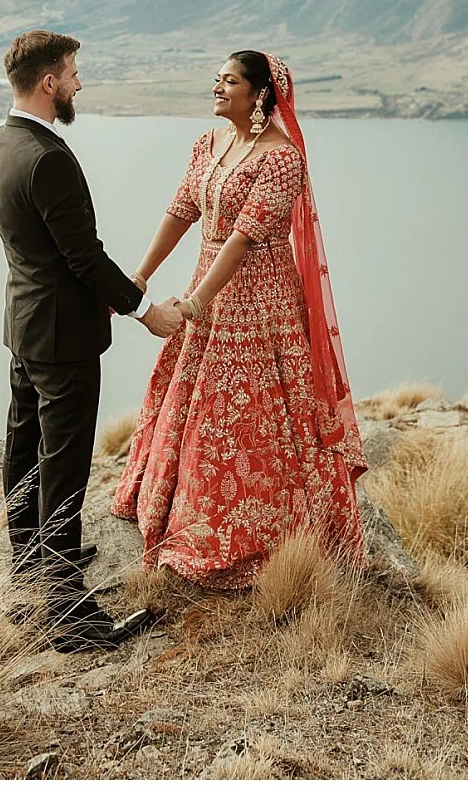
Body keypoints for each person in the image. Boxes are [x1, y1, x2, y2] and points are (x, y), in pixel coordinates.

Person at [111, 50, 368, 589]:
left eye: (229, 81)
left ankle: (257, 532)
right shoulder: (208, 144)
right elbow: (181, 212)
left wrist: (192, 305)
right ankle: (177, 505)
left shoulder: (283, 159)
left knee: (243, 412)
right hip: (209, 287)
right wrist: (137, 280)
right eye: (217, 79)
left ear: (259, 95)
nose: (218, 87)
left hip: (261, 300)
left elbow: (243, 240)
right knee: (195, 398)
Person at [0, 29, 179, 652]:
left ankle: (31, 563)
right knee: (62, 465)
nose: (78, 83)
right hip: (64, 337)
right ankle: (71, 617)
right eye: (73, 73)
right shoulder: (48, 158)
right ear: (49, 82)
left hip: (26, 326)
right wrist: (146, 309)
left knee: (23, 446)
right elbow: (84, 258)